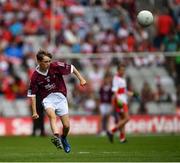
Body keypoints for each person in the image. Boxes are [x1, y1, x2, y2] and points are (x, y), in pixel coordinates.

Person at [27, 49, 86, 153]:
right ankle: (56, 136)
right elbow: (32, 95)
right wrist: (34, 111)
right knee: (51, 115)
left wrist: (81, 79)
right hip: (47, 99)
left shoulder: (55, 66)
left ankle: (63, 138)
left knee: (66, 126)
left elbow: (72, 68)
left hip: (60, 97)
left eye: (49, 61)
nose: (48, 63)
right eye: (46, 62)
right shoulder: (35, 76)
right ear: (39, 62)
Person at [107, 63, 134, 143]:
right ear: (118, 70)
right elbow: (115, 90)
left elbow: (123, 90)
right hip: (120, 101)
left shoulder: (122, 78)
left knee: (122, 119)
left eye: (124, 70)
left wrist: (131, 93)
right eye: (121, 70)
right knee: (127, 118)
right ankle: (112, 131)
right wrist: (117, 99)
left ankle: (122, 138)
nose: (123, 71)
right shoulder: (116, 78)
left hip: (123, 99)